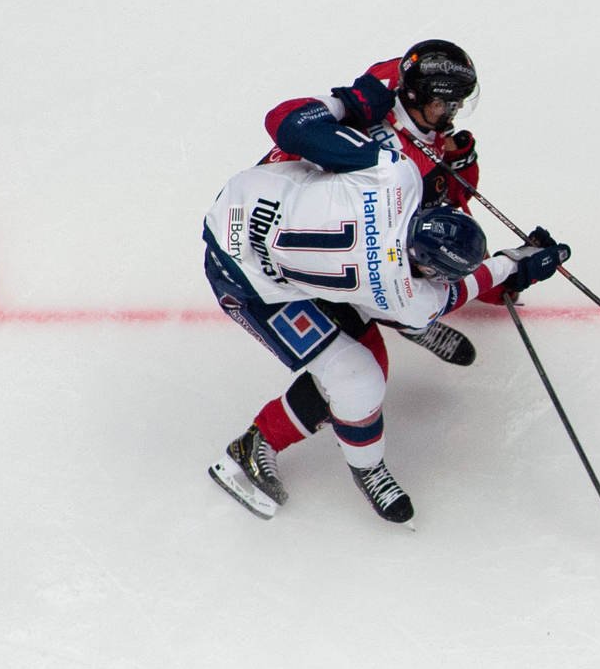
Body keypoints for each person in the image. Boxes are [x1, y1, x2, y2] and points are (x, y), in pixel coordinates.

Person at [201, 145, 569, 522]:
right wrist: (513, 266)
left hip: (248, 210)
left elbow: (297, 131)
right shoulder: (404, 294)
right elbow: (448, 294)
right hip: (247, 281)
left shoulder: (396, 177)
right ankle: (263, 449)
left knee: (378, 321)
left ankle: (403, 328)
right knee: (355, 378)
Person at [260, 40, 485, 367]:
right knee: (403, 259)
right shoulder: (406, 166)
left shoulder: (394, 76)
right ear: (417, 97)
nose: (453, 113)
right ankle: (404, 320)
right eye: (445, 104)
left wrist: (459, 160)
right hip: (297, 221)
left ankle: (405, 317)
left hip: (289, 186)